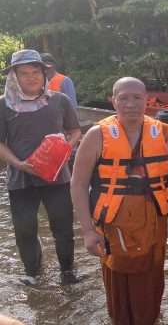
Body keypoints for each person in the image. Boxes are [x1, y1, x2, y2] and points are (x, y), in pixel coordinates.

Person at [71, 77, 168, 324]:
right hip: (113, 226)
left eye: (137, 97)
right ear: (113, 101)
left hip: (154, 223)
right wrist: (88, 231)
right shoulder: (96, 135)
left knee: (151, 280)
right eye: (123, 98)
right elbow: (78, 184)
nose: (131, 104)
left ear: (147, 101)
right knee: (118, 286)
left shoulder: (164, 134)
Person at [0, 49, 81, 285]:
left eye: (36, 72)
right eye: (24, 73)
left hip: (57, 177)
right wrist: (17, 164)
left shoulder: (59, 100)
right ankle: (33, 274)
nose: (31, 77)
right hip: (20, 179)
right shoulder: (4, 105)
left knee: (63, 228)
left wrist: (65, 149)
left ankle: (67, 271)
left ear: (44, 74)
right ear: (14, 76)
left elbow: (75, 131)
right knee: (25, 230)